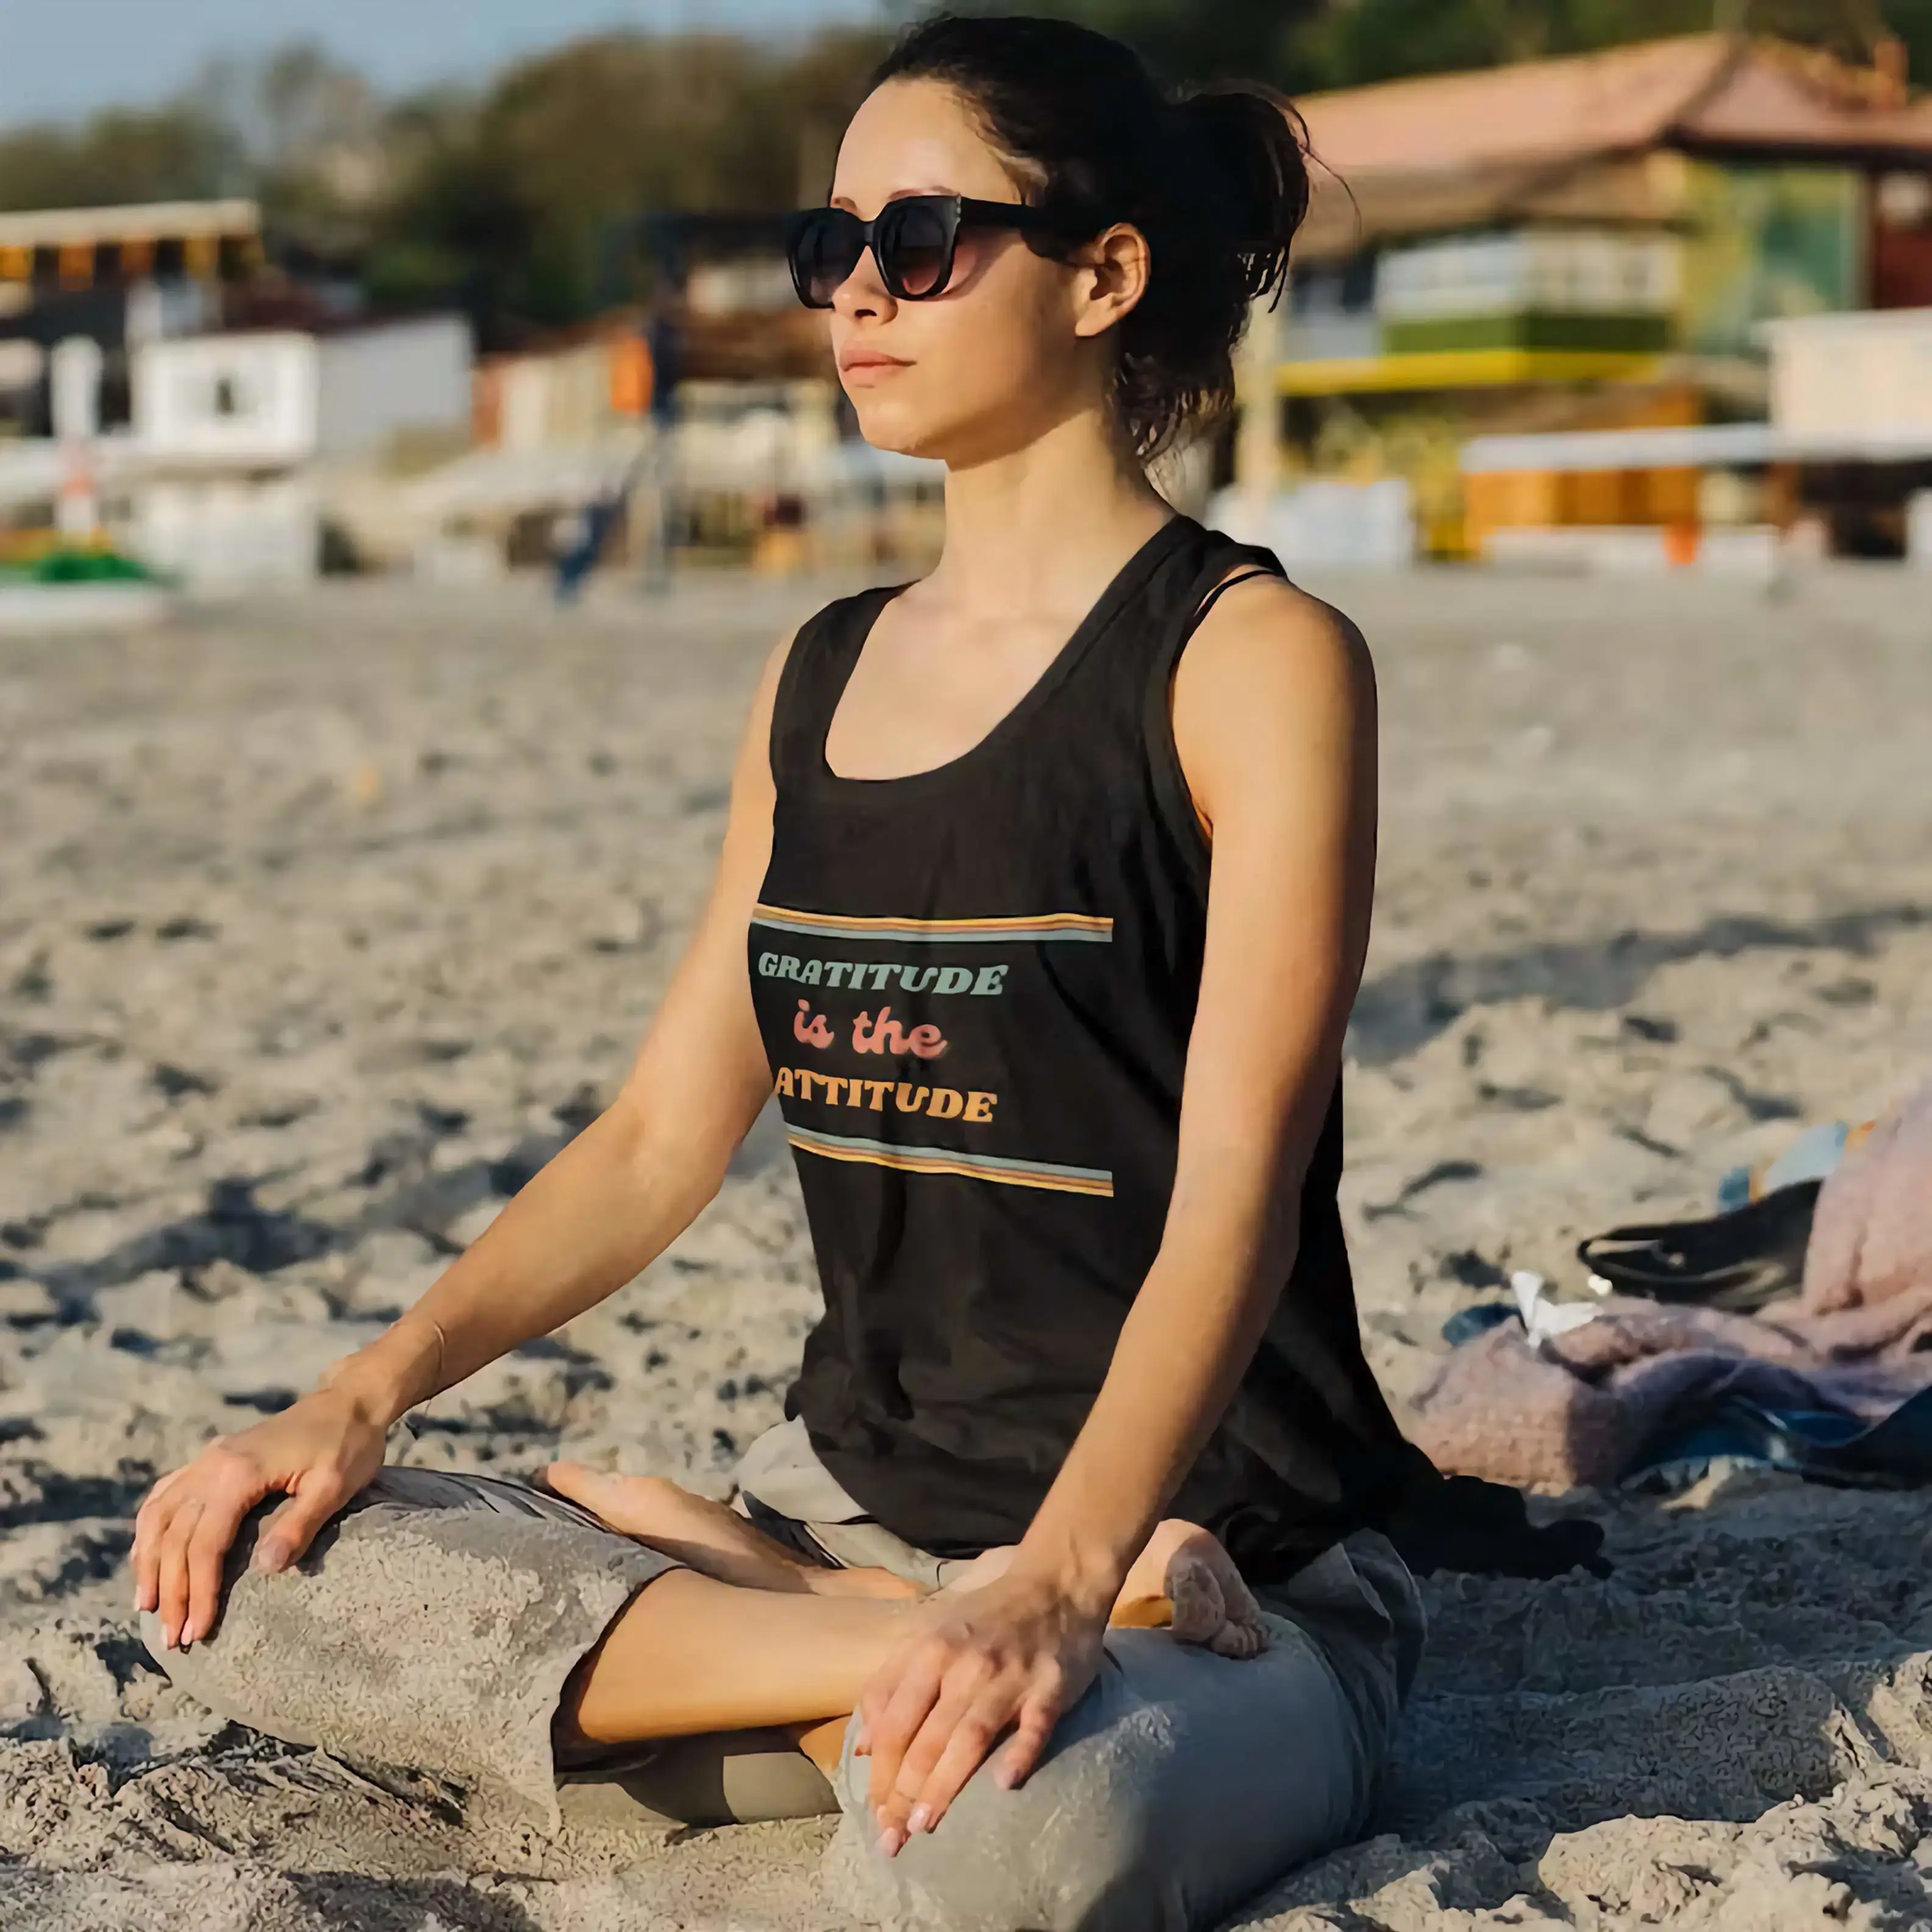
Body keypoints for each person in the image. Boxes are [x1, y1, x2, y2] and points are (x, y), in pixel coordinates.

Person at [131, 15, 1437, 1928]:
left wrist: (1064, 1582)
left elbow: (1233, 1203)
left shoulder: (1253, 662)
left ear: (1105, 274)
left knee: (993, 1849)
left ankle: (818, 1667)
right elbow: (666, 1133)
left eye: (921, 239)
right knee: (243, 1573)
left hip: (1214, 1556)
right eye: (832, 246)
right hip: (844, 1517)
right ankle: (859, 1634)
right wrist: (365, 1393)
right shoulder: (819, 674)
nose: (857, 295)